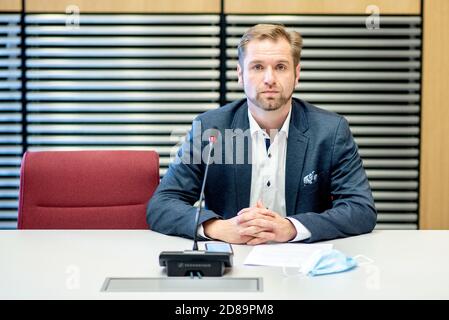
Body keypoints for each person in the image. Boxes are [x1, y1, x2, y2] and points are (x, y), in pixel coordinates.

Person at [147, 24, 377, 244]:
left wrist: (292, 228)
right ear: (240, 74)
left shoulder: (331, 131)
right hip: (233, 257)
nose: (269, 79)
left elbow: (360, 209)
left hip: (305, 263)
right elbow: (162, 205)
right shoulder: (210, 129)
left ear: (297, 74)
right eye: (257, 67)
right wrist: (218, 228)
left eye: (281, 67)